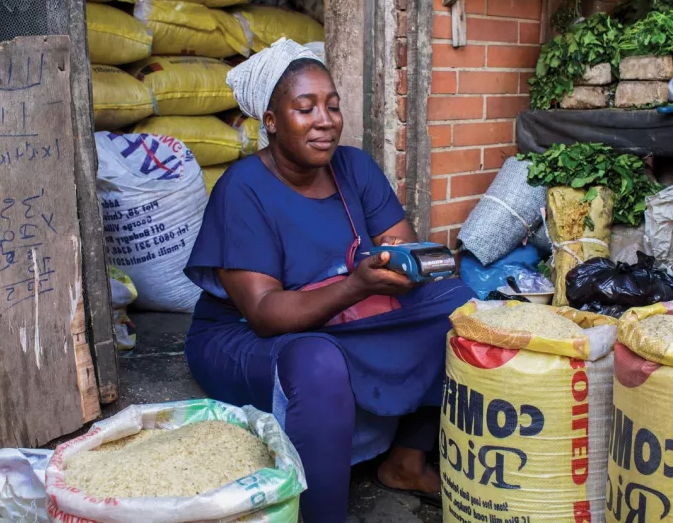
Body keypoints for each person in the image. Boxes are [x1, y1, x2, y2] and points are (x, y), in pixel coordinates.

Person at [184, 38, 474, 522]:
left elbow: (401, 247)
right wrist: (359, 285)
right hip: (242, 336)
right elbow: (264, 314)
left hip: (340, 315)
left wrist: (407, 266)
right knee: (317, 361)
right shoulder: (242, 190)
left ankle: (405, 460)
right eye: (305, 108)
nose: (325, 120)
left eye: (332, 106)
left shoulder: (354, 167)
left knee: (456, 303)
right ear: (270, 122)